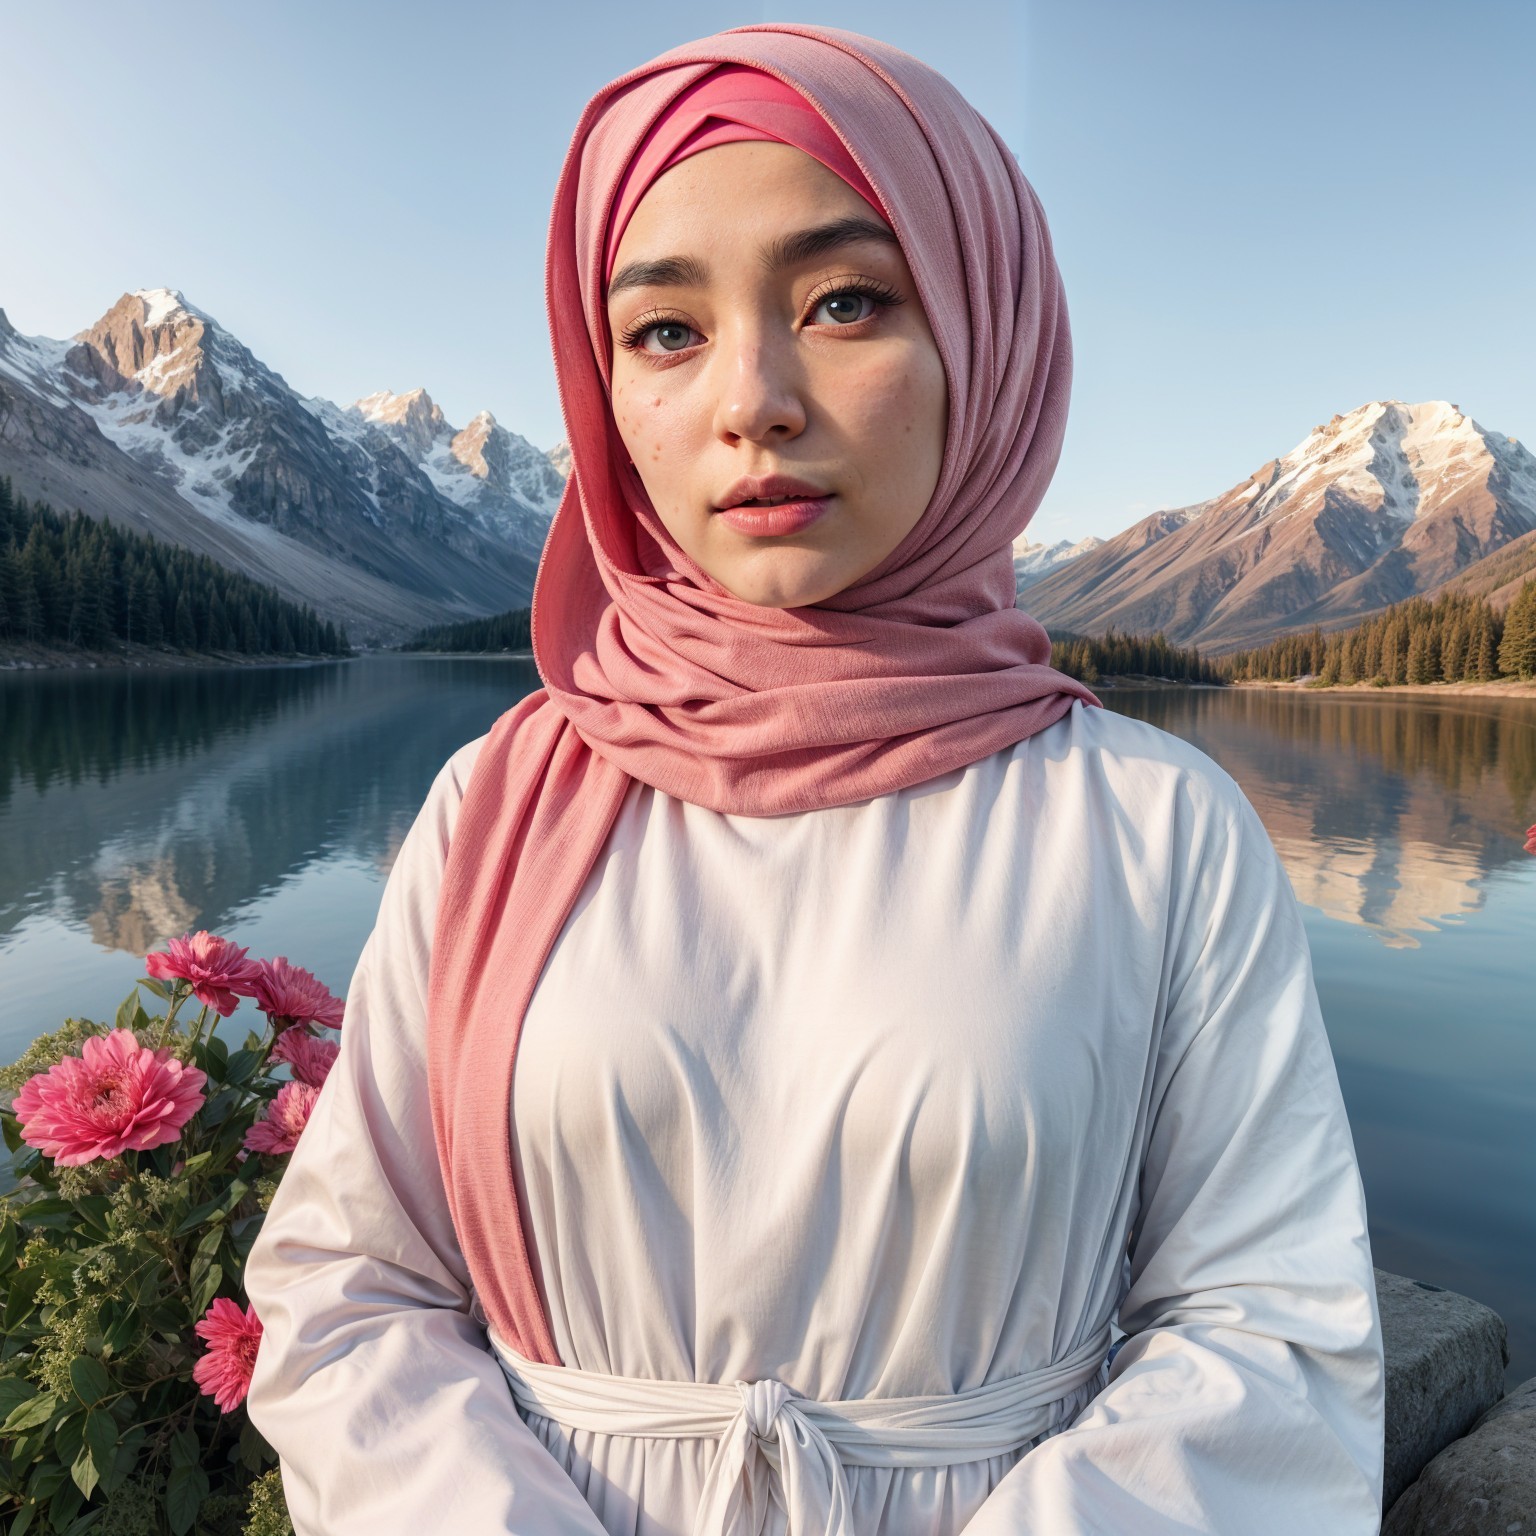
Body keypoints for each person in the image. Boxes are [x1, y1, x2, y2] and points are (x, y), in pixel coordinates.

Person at [243, 24, 1385, 1535]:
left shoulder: (1155, 828)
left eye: (846, 301)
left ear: (988, 335)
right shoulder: (494, 806)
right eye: (664, 332)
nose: (753, 400)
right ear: (602, 396)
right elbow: (350, 1289)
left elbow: (1273, 1342)